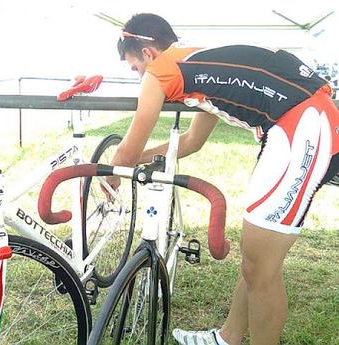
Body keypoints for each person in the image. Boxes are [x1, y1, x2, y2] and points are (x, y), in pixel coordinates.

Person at [106, 13, 339, 345]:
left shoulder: (161, 72)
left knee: (261, 269)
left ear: (147, 53)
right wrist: (143, 158)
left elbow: (128, 150)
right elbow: (191, 142)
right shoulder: (197, 64)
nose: (138, 76)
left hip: (301, 128)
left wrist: (107, 178)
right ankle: (228, 337)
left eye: (134, 67)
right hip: (298, 124)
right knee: (257, 260)